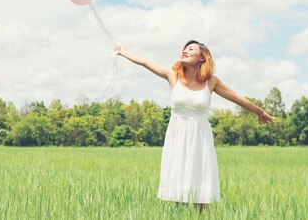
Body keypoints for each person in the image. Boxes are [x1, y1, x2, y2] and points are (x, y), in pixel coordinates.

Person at [114, 40, 275, 212]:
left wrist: (259, 111)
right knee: (178, 182)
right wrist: (123, 52)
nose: (184, 51)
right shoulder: (173, 75)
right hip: (177, 136)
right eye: (184, 49)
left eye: (190, 49)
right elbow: (145, 62)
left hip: (199, 138)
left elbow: (235, 96)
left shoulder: (211, 81)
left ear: (202, 58)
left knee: (201, 182)